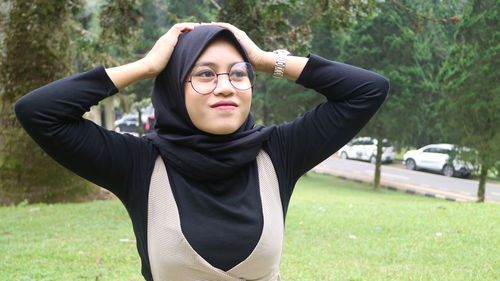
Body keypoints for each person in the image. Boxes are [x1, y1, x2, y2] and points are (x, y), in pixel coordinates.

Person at [15, 22, 389, 281]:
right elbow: (39, 112)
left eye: (238, 73)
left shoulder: (277, 153)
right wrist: (146, 66)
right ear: (175, 87)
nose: (225, 86)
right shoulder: (138, 164)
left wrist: (263, 59)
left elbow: (368, 90)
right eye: (205, 74)